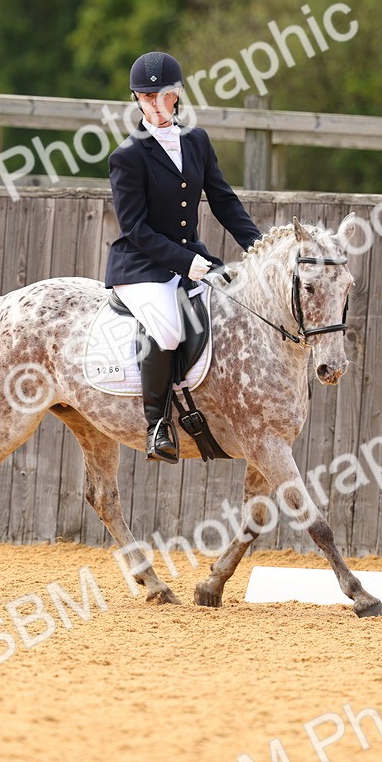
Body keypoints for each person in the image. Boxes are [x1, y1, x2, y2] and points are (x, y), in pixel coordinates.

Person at [106, 51, 262, 464]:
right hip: (140, 267)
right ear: (137, 98)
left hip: (192, 257)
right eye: (146, 97)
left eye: (164, 96)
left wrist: (259, 248)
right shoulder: (127, 155)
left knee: (238, 303)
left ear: (177, 96)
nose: (156, 105)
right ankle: (157, 424)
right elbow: (135, 229)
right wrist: (186, 262)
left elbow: (225, 202)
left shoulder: (196, 141)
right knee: (170, 330)